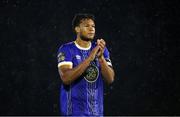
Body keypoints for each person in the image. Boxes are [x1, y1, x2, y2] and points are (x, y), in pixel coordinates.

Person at [57, 13, 115, 116]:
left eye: (93, 26)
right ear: (77, 29)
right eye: (87, 26)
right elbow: (66, 78)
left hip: (97, 113)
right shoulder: (67, 49)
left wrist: (101, 58)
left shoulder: (101, 49)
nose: (91, 29)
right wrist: (90, 58)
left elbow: (110, 79)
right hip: (73, 113)